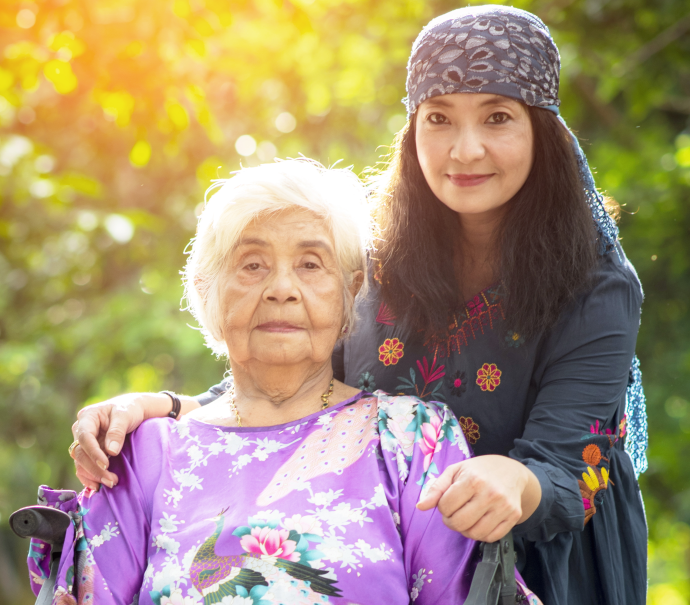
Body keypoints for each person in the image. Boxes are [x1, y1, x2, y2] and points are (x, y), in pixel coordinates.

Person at [67, 6, 647, 605]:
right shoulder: (381, 260)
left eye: (497, 117)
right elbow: (291, 382)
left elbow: (570, 463)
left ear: (541, 131)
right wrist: (159, 408)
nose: (465, 149)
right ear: (412, 131)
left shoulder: (594, 285)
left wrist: (518, 480)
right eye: (439, 119)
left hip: (540, 549)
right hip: (369, 537)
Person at [28, 159, 540, 604]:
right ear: (207, 290)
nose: (281, 289)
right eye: (252, 264)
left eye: (311, 264)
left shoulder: (411, 439)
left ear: (350, 292)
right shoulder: (144, 453)